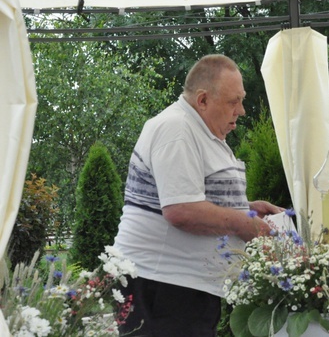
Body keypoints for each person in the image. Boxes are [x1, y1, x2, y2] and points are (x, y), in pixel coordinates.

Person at [114, 54, 284, 337]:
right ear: (203, 100)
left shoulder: (196, 128)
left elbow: (190, 194)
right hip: (161, 289)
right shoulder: (177, 129)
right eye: (234, 101)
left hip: (178, 290)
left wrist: (247, 207)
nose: (241, 110)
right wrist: (243, 223)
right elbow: (181, 210)